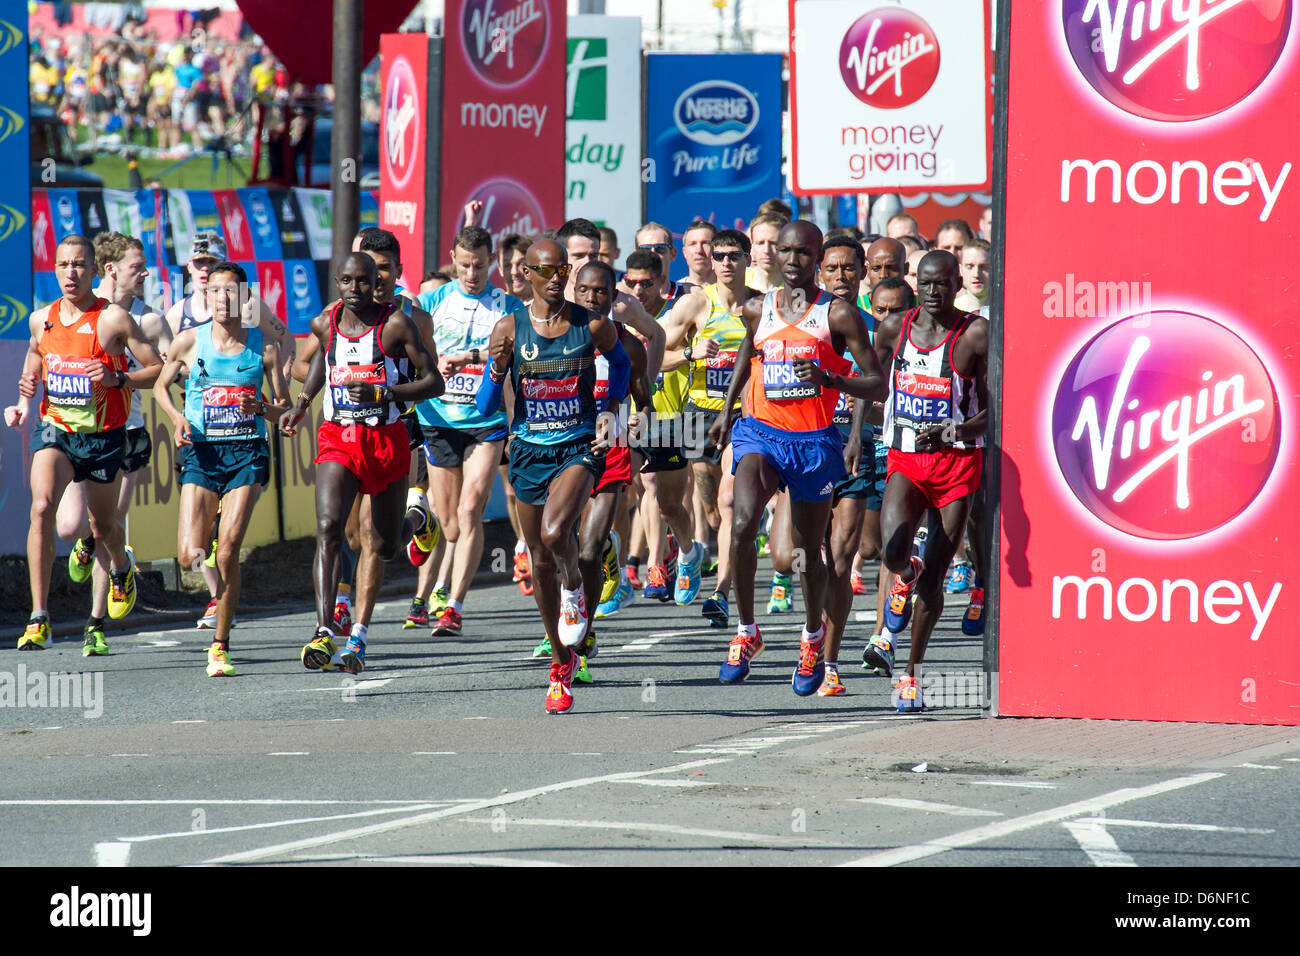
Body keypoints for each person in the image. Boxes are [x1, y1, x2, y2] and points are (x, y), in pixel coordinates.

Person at [707, 221, 885, 694]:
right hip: (760, 433)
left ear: (817, 256)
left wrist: (832, 381)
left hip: (814, 442)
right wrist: (727, 409)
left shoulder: (840, 315)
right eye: (784, 251)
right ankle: (747, 632)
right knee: (743, 521)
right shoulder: (756, 307)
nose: (792, 261)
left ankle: (812, 634)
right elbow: (751, 349)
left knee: (807, 556)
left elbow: (877, 381)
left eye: (803, 253)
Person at [476, 239, 630, 713]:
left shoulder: (592, 325)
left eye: (563, 267)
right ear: (527, 273)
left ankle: (574, 586)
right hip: (527, 451)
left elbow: (622, 364)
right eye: (548, 269)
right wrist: (495, 365)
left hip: (580, 447)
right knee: (539, 558)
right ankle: (560, 664)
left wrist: (609, 413)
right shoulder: (509, 326)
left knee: (556, 532)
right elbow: (485, 406)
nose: (558, 277)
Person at [279, 253, 443, 675]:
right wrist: (301, 405)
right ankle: (328, 631)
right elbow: (322, 361)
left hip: (386, 439)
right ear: (337, 282)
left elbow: (434, 381)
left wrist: (387, 394)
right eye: (347, 281)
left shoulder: (395, 325)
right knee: (329, 528)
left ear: (377, 283)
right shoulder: (325, 322)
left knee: (384, 544)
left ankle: (418, 519)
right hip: (337, 437)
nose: (356, 290)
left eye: (364, 282)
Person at [5, 236, 163, 649]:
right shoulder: (42, 318)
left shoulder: (113, 320)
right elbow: (36, 355)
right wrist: (25, 397)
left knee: (102, 525)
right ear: (54, 271)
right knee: (41, 507)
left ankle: (122, 566)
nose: (70, 273)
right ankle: (39, 617)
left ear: (94, 271)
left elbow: (157, 368)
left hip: (103, 438)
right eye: (63, 265)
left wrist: (119, 379)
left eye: (79, 265)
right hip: (57, 429)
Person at [862, 251, 988, 712]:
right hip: (906, 458)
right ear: (916, 285)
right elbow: (874, 381)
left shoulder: (975, 334)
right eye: (927, 283)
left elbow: (999, 408)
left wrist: (959, 431)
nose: (934, 292)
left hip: (957, 467)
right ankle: (905, 571)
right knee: (891, 549)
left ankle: (910, 673)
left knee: (934, 580)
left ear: (958, 284)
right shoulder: (895, 327)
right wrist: (858, 432)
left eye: (943, 283)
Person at [153, 263, 291, 676]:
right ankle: (209, 533)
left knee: (228, 552)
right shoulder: (188, 342)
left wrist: (262, 408)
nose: (223, 299)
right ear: (206, 296)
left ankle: (220, 645)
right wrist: (177, 418)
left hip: (246, 454)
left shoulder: (263, 348)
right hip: (202, 456)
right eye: (216, 291)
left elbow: (282, 409)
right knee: (188, 555)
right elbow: (161, 386)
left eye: (232, 292)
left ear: (245, 298)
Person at [56, 233, 170, 656]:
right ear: (110, 269)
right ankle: (84, 542)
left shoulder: (151, 320)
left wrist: (121, 378)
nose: (144, 273)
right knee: (71, 526)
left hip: (125, 433)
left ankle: (95, 622)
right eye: (137, 266)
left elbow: (167, 370)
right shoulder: (78, 309)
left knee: (109, 529)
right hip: (76, 431)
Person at [413, 225, 521, 636]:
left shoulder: (507, 307)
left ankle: (454, 606)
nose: (471, 274)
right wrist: (430, 362)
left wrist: (468, 358)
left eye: (478, 266)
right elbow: (410, 343)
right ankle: (426, 529)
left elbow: (509, 354)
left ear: (492, 261)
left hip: (487, 423)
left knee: (470, 508)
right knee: (450, 523)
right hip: (439, 419)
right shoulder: (432, 302)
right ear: (453, 261)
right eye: (463, 266)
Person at [660, 228, 760, 626]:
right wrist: (689, 351)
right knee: (686, 507)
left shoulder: (762, 306)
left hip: (744, 416)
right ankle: (689, 549)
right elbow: (655, 355)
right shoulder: (696, 305)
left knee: (729, 502)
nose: (725, 262)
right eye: (718, 256)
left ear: (747, 259)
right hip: (699, 414)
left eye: (733, 255)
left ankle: (720, 593)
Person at [572, 260, 651, 653]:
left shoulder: (630, 345)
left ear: (613, 295)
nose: (591, 298)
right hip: (565, 448)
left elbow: (646, 407)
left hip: (611, 452)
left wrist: (633, 423)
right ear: (573, 292)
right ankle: (566, 618)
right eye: (584, 291)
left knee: (586, 548)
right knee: (560, 545)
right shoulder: (556, 339)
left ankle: (581, 633)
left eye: (600, 291)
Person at [622, 248, 694, 605]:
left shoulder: (679, 313)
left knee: (670, 505)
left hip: (673, 418)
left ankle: (687, 553)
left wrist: (685, 355)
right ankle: (647, 566)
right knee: (634, 487)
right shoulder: (617, 316)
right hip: (631, 418)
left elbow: (667, 353)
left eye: (646, 283)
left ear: (662, 282)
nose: (638, 290)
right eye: (632, 282)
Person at [495, 233, 534, 590]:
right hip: (501, 413)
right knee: (511, 490)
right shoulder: (498, 306)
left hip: (539, 414)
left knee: (532, 490)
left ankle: (535, 548)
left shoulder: (541, 305)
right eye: (506, 265)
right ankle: (522, 545)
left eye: (519, 263)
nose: (513, 271)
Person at [745, 210, 789, 294]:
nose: (766, 250)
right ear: (752, 246)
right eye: (760, 243)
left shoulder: (797, 288)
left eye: (773, 243)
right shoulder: (737, 283)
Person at [954, 237, 990, 314]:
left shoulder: (1005, 309)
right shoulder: (952, 309)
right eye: (969, 267)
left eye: (983, 267)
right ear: (960, 269)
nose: (976, 274)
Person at [680, 218, 717, 288]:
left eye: (705, 243)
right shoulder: (674, 296)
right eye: (692, 244)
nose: (699, 251)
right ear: (684, 252)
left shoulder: (734, 292)